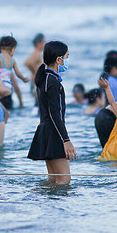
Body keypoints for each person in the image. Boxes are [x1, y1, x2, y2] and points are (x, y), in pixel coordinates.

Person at [27, 41, 76, 185]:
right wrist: (66, 140)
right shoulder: (52, 82)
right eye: (66, 57)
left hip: (46, 130)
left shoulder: (45, 78)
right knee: (64, 179)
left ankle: (49, 204)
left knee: (54, 179)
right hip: (54, 132)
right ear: (58, 60)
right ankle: (58, 206)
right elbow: (55, 114)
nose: (67, 60)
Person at [0, 36, 29, 110]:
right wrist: (24, 79)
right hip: (8, 87)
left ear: (0, 47)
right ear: (12, 49)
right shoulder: (13, 61)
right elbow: (18, 74)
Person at [24, 33, 45, 105]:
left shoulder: (38, 52)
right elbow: (27, 63)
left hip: (36, 81)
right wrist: (34, 72)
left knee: (39, 103)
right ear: (38, 43)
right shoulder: (36, 53)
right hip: (36, 82)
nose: (44, 44)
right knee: (39, 103)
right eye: (43, 42)